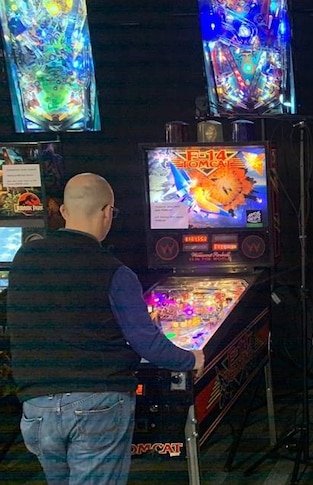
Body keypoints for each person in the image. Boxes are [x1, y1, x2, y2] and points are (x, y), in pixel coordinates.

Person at [7, 173, 204, 485]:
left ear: (63, 211)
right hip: (96, 404)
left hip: (36, 406)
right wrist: (191, 359)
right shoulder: (114, 271)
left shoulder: (23, 260)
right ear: (106, 212)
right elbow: (146, 341)